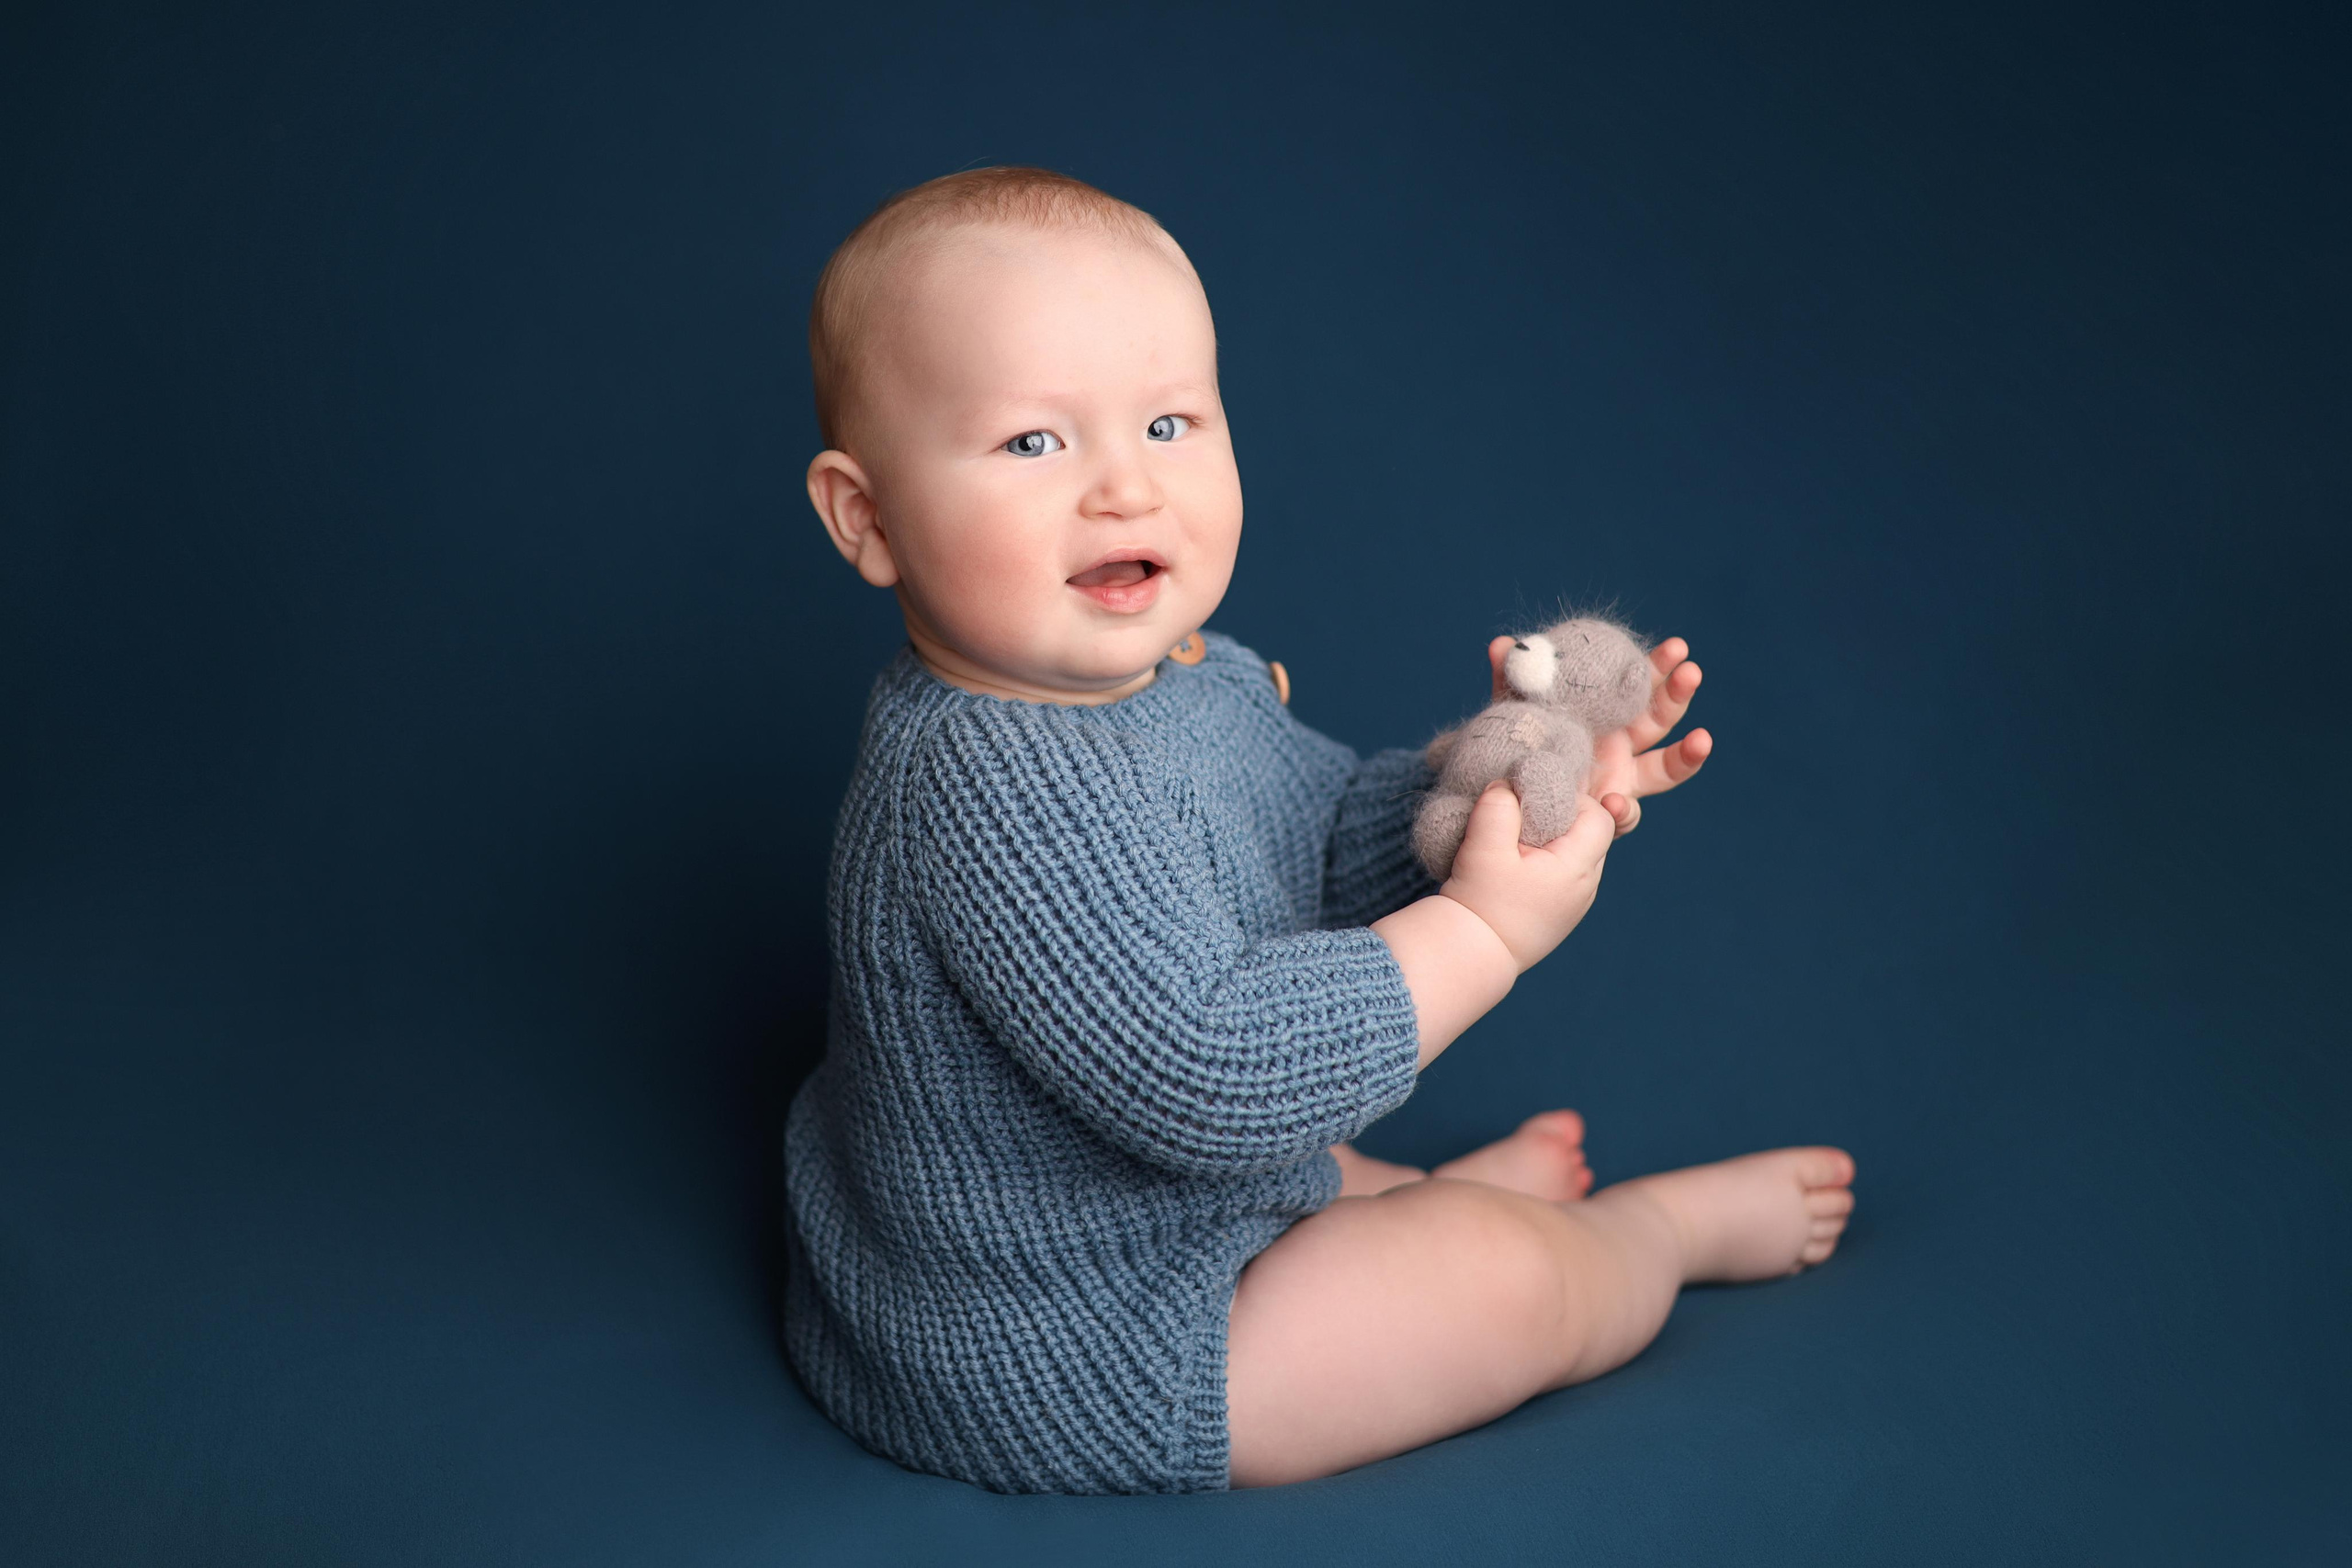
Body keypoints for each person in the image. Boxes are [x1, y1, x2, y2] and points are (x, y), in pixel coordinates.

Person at [780, 165, 1856, 1495]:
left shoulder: (1187, 674)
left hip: (1171, 1201)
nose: (1125, 488)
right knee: (1502, 1286)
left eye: (1171, 423)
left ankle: (1411, 1187)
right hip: (1060, 1339)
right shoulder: (984, 786)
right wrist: (1481, 930)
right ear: (868, 517)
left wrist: (1493, 780)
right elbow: (1209, 1074)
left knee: (1325, 1165)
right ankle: (1643, 1237)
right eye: (1035, 444)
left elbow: (1316, 839)